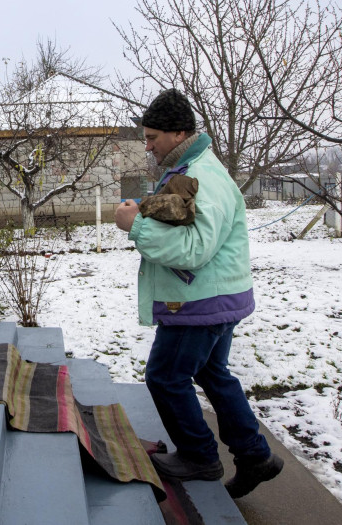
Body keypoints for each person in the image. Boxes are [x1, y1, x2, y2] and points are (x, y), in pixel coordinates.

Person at [114, 88, 283, 498]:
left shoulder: (203, 176)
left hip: (199, 301)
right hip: (215, 297)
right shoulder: (191, 167)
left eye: (152, 137)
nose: (147, 146)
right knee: (211, 372)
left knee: (166, 376)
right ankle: (255, 456)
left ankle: (199, 456)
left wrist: (137, 226)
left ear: (178, 133)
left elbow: (194, 250)